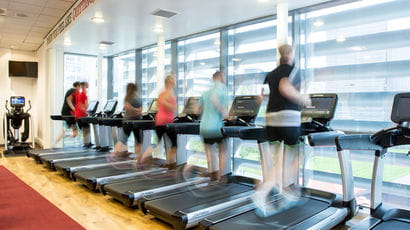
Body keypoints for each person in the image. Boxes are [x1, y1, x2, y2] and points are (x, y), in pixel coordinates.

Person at [252, 44, 311, 217]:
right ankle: (263, 191)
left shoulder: (270, 74)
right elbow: (284, 88)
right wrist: (303, 100)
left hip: (271, 118)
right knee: (293, 156)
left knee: (281, 158)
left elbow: (260, 98)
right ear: (291, 54)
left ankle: (285, 189)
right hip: (288, 119)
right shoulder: (292, 70)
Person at [199, 71, 228, 181]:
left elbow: (197, 109)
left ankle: (212, 174)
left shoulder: (205, 92)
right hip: (216, 126)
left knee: (210, 151)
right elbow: (215, 99)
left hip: (204, 126)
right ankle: (221, 176)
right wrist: (225, 114)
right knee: (223, 150)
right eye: (224, 76)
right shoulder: (222, 88)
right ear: (220, 77)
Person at [110, 83, 143, 160]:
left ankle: (115, 153)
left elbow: (127, 108)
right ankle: (138, 157)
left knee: (124, 139)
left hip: (130, 121)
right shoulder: (134, 98)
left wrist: (133, 109)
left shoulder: (127, 97)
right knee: (137, 140)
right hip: (134, 121)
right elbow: (137, 110)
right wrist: (136, 110)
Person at [154, 75, 178, 169]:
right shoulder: (170, 93)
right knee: (174, 144)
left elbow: (160, 106)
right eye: (174, 80)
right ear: (170, 82)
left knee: (159, 143)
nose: (175, 82)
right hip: (167, 121)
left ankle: (144, 158)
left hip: (159, 120)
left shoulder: (161, 93)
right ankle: (170, 162)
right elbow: (172, 108)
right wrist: (172, 106)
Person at [75, 81, 92, 147]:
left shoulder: (79, 94)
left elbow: (79, 105)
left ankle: (86, 143)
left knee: (86, 128)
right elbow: (84, 105)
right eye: (87, 86)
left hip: (78, 115)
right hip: (82, 115)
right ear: (84, 86)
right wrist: (86, 112)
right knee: (87, 128)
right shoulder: (83, 95)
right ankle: (87, 143)